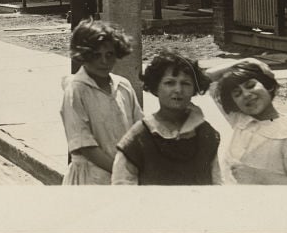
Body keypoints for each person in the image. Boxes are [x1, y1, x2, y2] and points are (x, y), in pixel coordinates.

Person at [112, 51, 221, 186]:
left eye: (185, 83)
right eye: (170, 83)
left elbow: (218, 182)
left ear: (194, 89)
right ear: (155, 88)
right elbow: (122, 186)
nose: (178, 89)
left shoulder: (205, 133)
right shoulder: (139, 136)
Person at [59, 19, 142, 185]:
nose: (104, 61)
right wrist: (120, 170)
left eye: (109, 55)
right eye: (96, 55)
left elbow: (139, 129)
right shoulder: (76, 91)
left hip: (125, 176)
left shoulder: (123, 86)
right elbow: (85, 145)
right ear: (84, 55)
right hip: (90, 178)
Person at [204, 58, 287, 184]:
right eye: (237, 94)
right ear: (234, 103)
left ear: (268, 86)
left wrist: (258, 177)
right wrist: (250, 60)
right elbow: (207, 77)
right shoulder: (239, 119)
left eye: (250, 85)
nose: (246, 94)